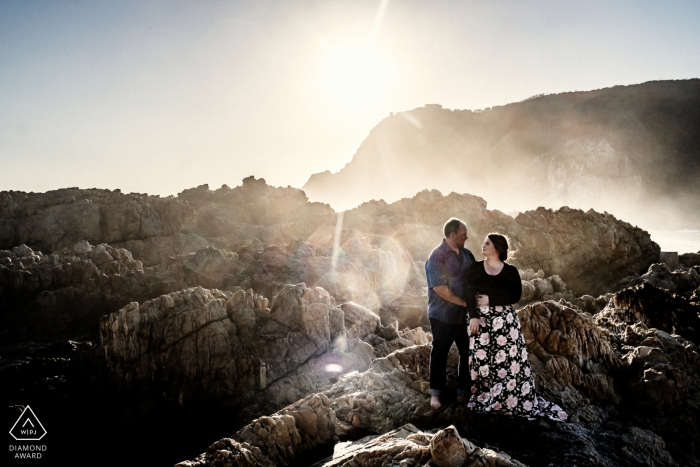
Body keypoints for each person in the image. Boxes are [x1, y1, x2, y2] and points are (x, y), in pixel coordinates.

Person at [462, 233, 567, 421]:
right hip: (482, 322)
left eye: (488, 243)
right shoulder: (475, 268)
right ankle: (488, 397)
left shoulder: (510, 271)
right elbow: (468, 292)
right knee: (484, 359)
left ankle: (509, 399)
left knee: (509, 361)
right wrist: (473, 317)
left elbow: (515, 296)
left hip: (505, 322)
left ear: (497, 248)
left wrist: (490, 300)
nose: (483, 245)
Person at [425, 218, 476, 409]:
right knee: (440, 352)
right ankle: (436, 395)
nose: (466, 237)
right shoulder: (437, 256)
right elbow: (440, 288)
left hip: (461, 315)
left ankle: (463, 393)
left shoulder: (467, 254)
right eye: (463, 234)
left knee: (467, 351)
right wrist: (466, 303)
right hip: (441, 314)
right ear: (452, 234)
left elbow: (477, 278)